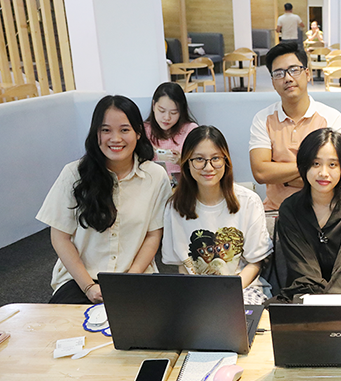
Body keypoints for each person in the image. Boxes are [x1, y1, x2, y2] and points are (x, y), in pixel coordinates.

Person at [36, 95, 171, 304]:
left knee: (155, 323)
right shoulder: (74, 174)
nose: (115, 138)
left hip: (136, 277)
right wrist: (88, 287)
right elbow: (60, 237)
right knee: (72, 325)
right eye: (106, 130)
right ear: (96, 133)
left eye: (124, 130)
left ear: (138, 133)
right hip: (79, 281)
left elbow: (153, 235)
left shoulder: (156, 176)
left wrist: (129, 280)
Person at [162, 126, 273, 305]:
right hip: (195, 292)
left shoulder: (248, 201)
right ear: (187, 162)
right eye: (199, 159)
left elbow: (255, 263)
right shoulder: (174, 207)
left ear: (226, 161)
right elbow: (182, 267)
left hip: (243, 289)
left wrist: (226, 293)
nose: (208, 167)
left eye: (215, 159)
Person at [249, 42, 341, 211]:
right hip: (277, 210)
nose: (288, 78)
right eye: (279, 73)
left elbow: (336, 174)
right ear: (273, 82)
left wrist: (281, 176)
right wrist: (313, 166)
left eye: (294, 70)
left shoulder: (331, 118)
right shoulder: (262, 119)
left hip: (323, 211)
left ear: (307, 74)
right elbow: (261, 173)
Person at [277, 128, 341, 300]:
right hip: (304, 298)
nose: (324, 173)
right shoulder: (289, 209)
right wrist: (321, 305)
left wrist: (329, 305)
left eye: (332, 164)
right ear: (304, 165)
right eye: (316, 164)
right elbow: (305, 275)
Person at [144, 82, 198, 183]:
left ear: (181, 111)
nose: (167, 118)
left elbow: (200, 166)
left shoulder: (190, 130)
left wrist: (181, 161)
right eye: (161, 111)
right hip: (151, 186)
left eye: (173, 112)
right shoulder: (144, 130)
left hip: (182, 187)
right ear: (153, 106)